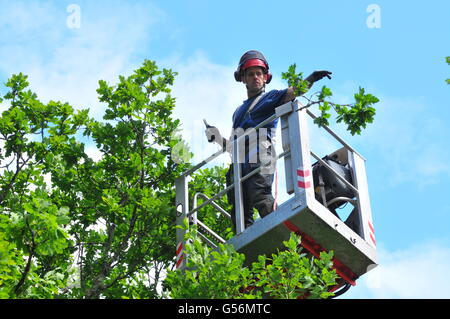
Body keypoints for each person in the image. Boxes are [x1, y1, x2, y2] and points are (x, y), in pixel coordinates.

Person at [205, 50, 331, 231]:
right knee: (239, 207)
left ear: (265, 78)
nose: (255, 77)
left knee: (260, 195)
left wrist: (311, 78)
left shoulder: (270, 97)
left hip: (260, 154)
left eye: (259, 74)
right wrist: (216, 137)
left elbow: (293, 92)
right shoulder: (238, 112)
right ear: (243, 78)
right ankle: (242, 245)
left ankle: (281, 233)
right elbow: (233, 147)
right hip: (239, 162)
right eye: (250, 74)